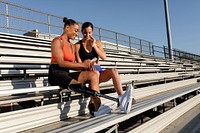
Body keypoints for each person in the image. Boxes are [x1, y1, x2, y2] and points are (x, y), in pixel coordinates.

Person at [75, 22, 135, 115]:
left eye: (90, 33)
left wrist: (94, 46)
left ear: (92, 32)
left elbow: (104, 57)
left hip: (98, 70)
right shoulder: (78, 45)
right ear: (82, 32)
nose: (87, 35)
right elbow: (78, 65)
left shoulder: (97, 43)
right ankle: (97, 106)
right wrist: (87, 66)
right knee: (94, 74)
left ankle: (121, 98)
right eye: (85, 33)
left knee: (114, 71)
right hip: (87, 72)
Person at [48, 18, 101, 112]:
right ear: (67, 28)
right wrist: (82, 65)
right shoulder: (57, 41)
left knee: (93, 75)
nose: (77, 34)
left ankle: (97, 108)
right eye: (76, 31)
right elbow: (61, 63)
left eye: (78, 32)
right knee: (77, 85)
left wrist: (88, 66)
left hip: (66, 74)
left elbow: (74, 65)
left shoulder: (72, 46)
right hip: (55, 74)